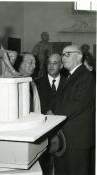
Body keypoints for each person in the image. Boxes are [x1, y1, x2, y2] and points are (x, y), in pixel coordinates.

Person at [49, 44, 95, 175]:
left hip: (77, 141)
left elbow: (75, 105)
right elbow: (59, 99)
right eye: (62, 54)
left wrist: (53, 113)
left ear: (79, 56)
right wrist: (51, 109)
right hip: (66, 139)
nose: (63, 58)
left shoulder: (85, 77)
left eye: (67, 54)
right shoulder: (70, 75)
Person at [35, 53, 66, 175]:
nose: (51, 66)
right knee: (44, 166)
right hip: (43, 131)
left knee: (62, 166)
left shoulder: (68, 83)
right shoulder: (36, 83)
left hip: (63, 131)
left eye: (55, 63)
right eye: (49, 63)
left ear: (61, 65)